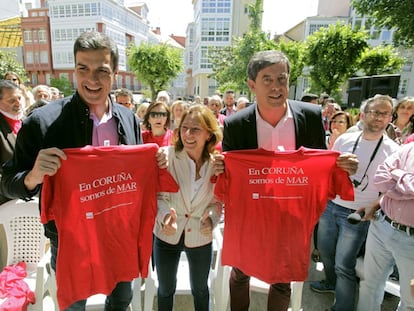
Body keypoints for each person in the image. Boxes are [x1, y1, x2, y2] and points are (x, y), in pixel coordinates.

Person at [1, 31, 166, 311]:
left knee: (122, 300)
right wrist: (34, 176)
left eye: (101, 70)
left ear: (115, 72)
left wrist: (155, 163)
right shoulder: (42, 122)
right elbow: (7, 182)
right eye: (83, 69)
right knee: (74, 304)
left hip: (119, 236)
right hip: (70, 241)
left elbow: (135, 178)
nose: (92, 79)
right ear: (74, 70)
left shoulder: (129, 119)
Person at [217, 50, 358, 311]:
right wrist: (220, 166)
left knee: (283, 278)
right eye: (267, 79)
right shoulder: (236, 124)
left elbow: (318, 164)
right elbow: (230, 174)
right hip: (251, 216)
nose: (276, 87)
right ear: (252, 85)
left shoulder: (311, 116)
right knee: (241, 272)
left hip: (291, 216)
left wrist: (339, 164)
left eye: (281, 79)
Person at [311, 94, 400, 311]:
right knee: (325, 252)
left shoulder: (393, 150)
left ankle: (342, 307)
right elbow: (327, 171)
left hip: (357, 215)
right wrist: (337, 168)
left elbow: (391, 189)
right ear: (362, 115)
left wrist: (374, 207)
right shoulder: (345, 140)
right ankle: (331, 283)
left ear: (390, 117)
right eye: (375, 112)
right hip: (331, 205)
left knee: (344, 264)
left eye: (385, 113)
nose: (379, 117)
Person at [153, 104, 223, 311]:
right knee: (165, 289)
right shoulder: (166, 156)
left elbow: (217, 202)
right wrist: (165, 217)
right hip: (166, 236)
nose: (187, 134)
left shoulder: (217, 164)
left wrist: (211, 219)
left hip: (201, 237)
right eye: (184, 128)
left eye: (195, 129)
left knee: (201, 289)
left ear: (209, 134)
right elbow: (157, 196)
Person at [357, 141, 414, 310]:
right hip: (382, 226)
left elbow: (388, 180)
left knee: (410, 299)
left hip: (411, 241)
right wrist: (407, 185)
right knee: (369, 284)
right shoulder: (409, 147)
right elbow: (380, 177)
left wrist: (396, 175)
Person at [0, 80, 25, 204]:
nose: (18, 103)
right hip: (7, 202)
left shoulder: (26, 121)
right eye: (12, 100)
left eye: (19, 98)